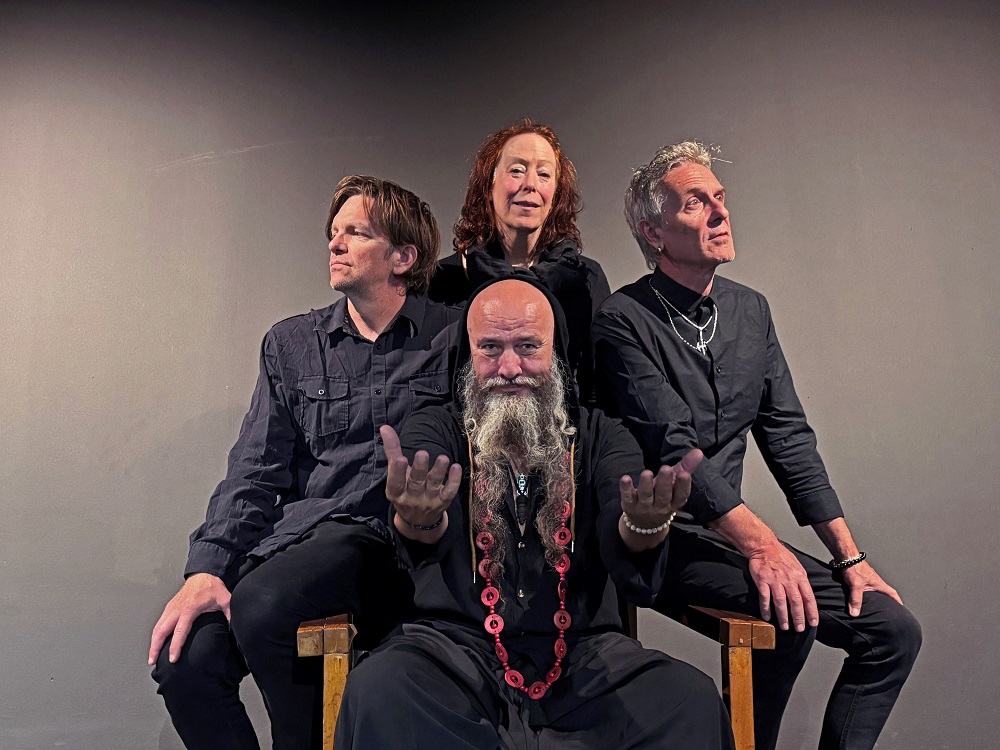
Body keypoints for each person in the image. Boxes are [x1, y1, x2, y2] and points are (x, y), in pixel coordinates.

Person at [592, 141, 922, 750]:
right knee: (786, 609)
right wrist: (765, 548)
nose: (721, 212)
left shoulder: (750, 310)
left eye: (720, 197)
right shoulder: (622, 319)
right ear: (654, 232)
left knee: (893, 631)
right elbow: (674, 447)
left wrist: (849, 558)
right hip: (656, 539)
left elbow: (788, 436)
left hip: (734, 537)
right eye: (696, 202)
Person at [336, 277, 735, 750]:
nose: (509, 368)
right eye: (490, 348)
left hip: (583, 660)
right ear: (468, 355)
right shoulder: (436, 427)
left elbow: (622, 517)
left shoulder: (603, 436)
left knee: (690, 700)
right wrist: (419, 517)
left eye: (528, 347)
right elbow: (421, 523)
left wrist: (644, 524)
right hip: (455, 657)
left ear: (556, 353)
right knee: (379, 688)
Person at [148, 175, 461, 750]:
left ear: (403, 257)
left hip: (387, 544)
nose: (335, 244)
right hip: (294, 545)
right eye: (333, 232)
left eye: (356, 233)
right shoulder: (291, 344)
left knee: (265, 604)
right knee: (184, 661)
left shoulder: (452, 336)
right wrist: (206, 570)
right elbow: (254, 469)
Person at [428, 120, 610, 401]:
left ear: (556, 195)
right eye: (517, 171)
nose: (530, 185)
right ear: (488, 187)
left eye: (544, 174)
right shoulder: (443, 280)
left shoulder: (587, 278)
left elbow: (598, 387)